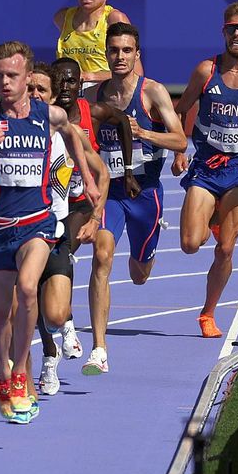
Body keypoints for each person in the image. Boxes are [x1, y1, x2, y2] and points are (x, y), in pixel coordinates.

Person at [0, 41, 99, 423]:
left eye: (13, 76)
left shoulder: (47, 114)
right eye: (0, 75)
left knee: (27, 288)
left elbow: (73, 134)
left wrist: (87, 178)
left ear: (27, 77)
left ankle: (21, 369)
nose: (5, 82)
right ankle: (2, 375)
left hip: (36, 222)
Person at [82, 22, 187, 374]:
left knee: (139, 273)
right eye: (114, 51)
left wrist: (143, 133)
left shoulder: (152, 92)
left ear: (137, 54)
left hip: (145, 192)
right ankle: (99, 348)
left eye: (127, 51)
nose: (120, 57)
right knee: (101, 256)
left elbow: (180, 140)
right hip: (109, 191)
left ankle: (145, 255)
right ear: (107, 54)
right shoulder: (96, 95)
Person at [172, 1, 238, 337]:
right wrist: (178, 150)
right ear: (223, 31)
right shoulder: (206, 70)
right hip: (206, 165)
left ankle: (207, 313)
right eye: (231, 28)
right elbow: (181, 108)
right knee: (189, 243)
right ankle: (212, 220)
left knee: (226, 248)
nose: (236, 34)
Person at [28, 64, 111, 396]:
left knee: (54, 311)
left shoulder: (68, 133)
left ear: (51, 97)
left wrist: (95, 215)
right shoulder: (7, 131)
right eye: (30, 90)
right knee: (26, 296)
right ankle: (48, 358)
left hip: (60, 224)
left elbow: (101, 174)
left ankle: (66, 325)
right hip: (22, 229)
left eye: (41, 91)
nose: (35, 96)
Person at [54, 0, 139, 84]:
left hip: (103, 97)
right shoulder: (62, 17)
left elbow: (136, 72)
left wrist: (90, 77)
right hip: (68, 96)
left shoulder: (114, 19)